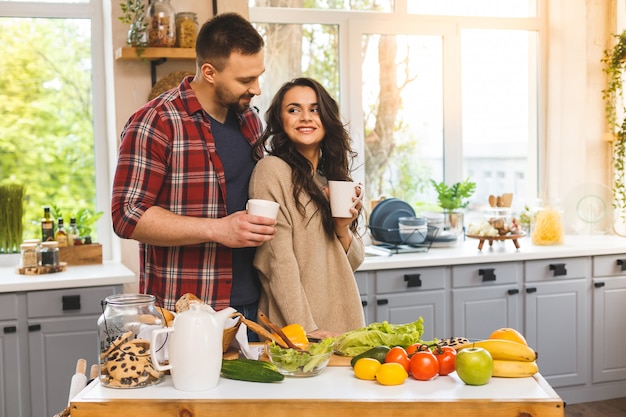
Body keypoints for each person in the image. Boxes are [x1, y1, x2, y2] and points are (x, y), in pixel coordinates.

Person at [111, 13, 275, 331]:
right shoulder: (156, 121)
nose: (256, 89)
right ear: (209, 72)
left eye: (258, 76)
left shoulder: (250, 120)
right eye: (245, 80)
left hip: (253, 307)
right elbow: (126, 215)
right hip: (189, 311)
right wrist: (216, 230)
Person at [249, 77, 365, 339]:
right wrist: (305, 330)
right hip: (297, 330)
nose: (305, 117)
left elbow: (353, 262)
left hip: (343, 324)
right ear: (280, 121)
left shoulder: (329, 178)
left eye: (314, 109)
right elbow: (277, 261)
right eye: (294, 109)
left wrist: (342, 228)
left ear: (326, 118)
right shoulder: (271, 171)